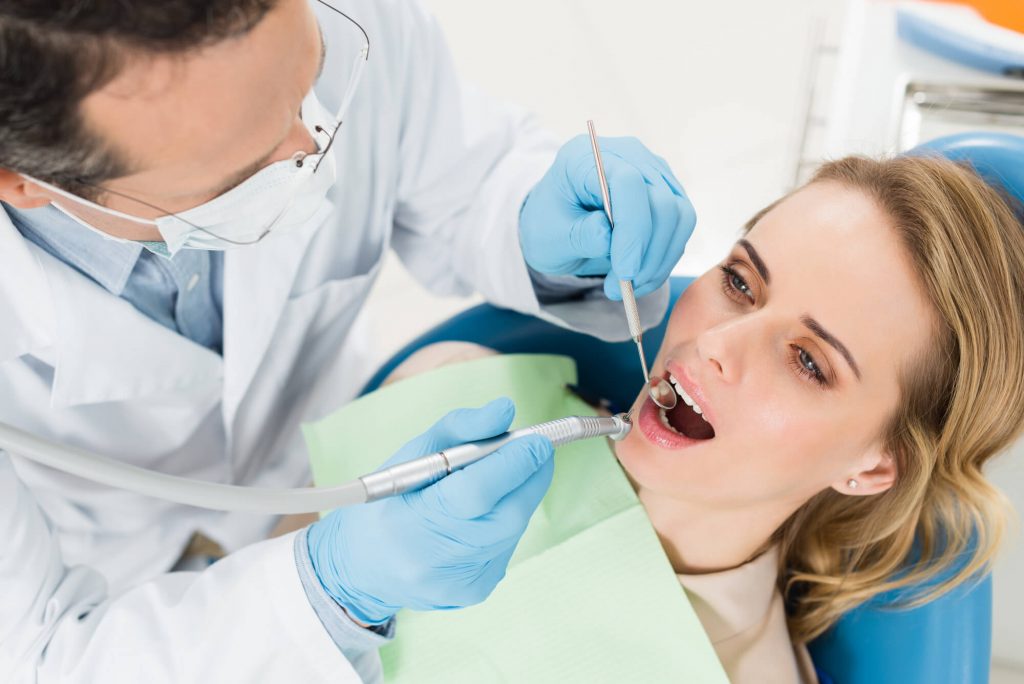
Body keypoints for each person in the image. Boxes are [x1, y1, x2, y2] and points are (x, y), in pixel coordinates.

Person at [0, 0, 696, 681]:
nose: (313, 149)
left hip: (335, 433)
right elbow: (37, 659)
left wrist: (540, 225)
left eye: (310, 85)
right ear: (22, 183)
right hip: (99, 557)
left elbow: (463, 180)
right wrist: (334, 588)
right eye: (241, 175)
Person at [380, 153, 1024, 683]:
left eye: (807, 360)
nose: (715, 343)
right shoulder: (446, 393)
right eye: (741, 284)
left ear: (877, 463)